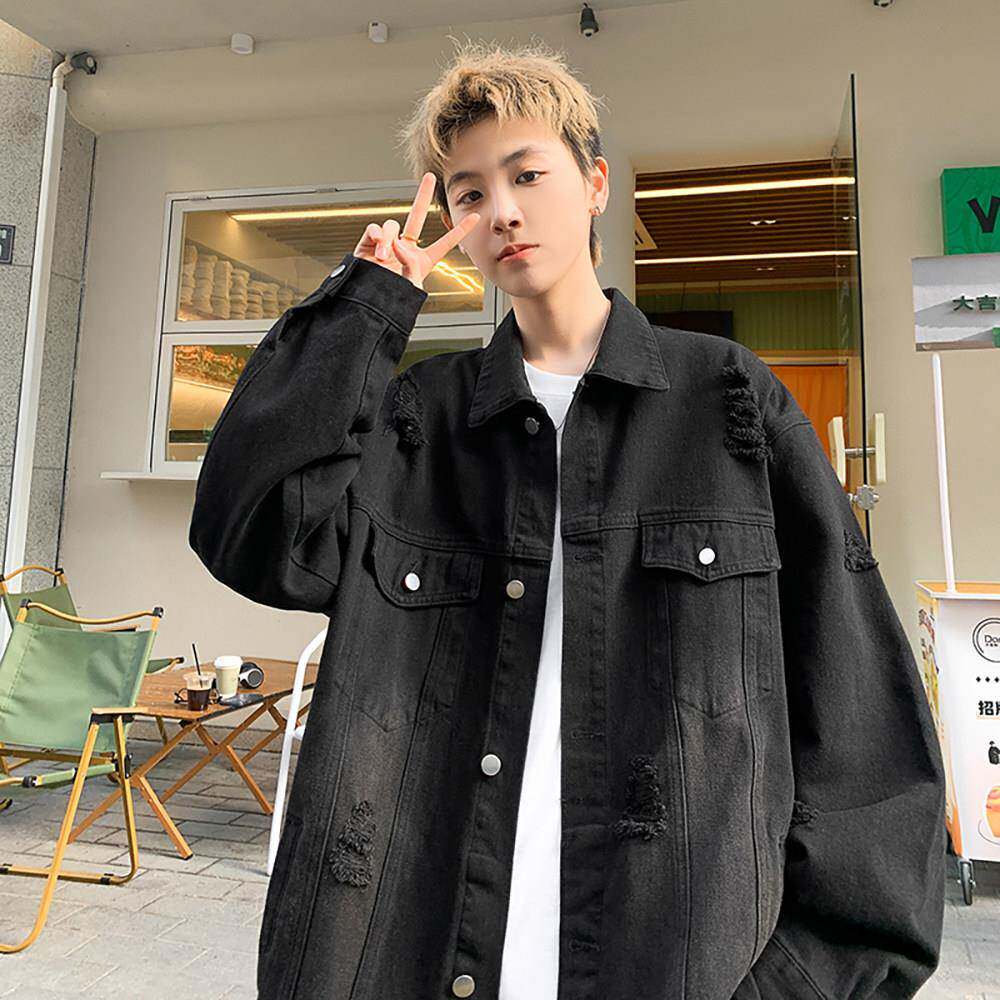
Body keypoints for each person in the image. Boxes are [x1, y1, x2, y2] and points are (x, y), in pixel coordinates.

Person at [189, 38, 946, 1000]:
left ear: (594, 184)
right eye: (468, 193)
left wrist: (801, 982)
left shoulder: (727, 402)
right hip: (408, 949)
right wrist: (364, 311)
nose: (501, 211)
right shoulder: (422, 419)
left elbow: (865, 729)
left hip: (668, 958)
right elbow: (252, 529)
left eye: (527, 173)